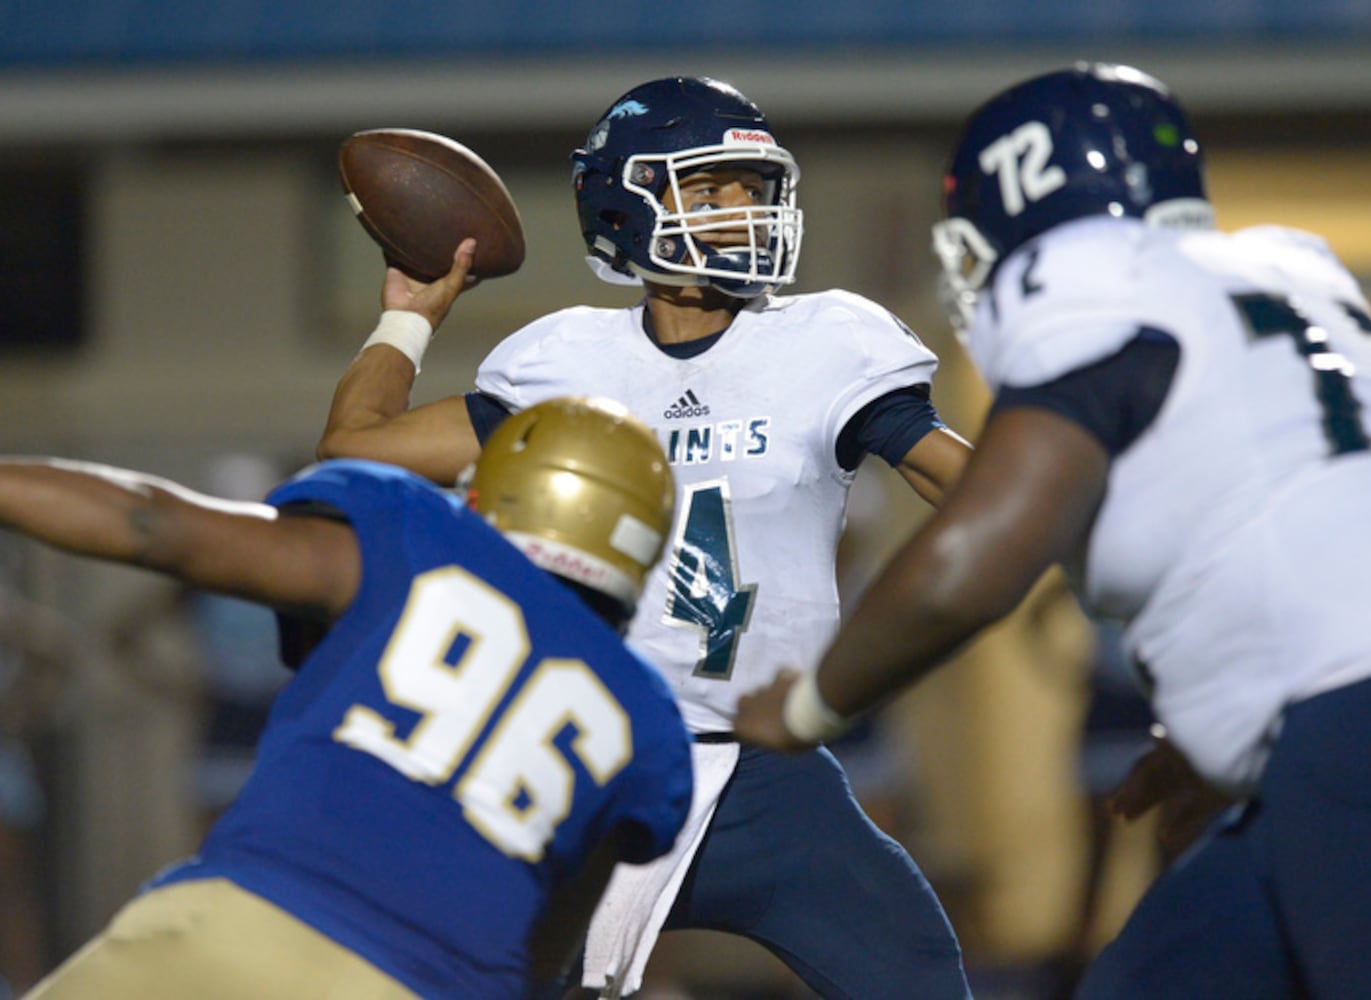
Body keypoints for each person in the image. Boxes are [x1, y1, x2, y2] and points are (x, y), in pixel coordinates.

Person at [734, 61, 1371, 999]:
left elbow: (981, 547)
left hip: (1361, 717)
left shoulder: (1085, 278)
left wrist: (807, 707)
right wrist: (1230, 719)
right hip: (1333, 720)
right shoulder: (1284, 272)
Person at [319, 76, 974, 998]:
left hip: (767, 775)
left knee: (916, 973)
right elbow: (354, 449)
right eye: (708, 193)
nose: (741, 215)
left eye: (752, 191)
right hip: (590, 759)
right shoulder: (565, 359)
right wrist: (410, 314)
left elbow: (974, 492)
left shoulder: (824, 344)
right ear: (625, 208)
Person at [5, 396, 694, 1000]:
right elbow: (545, 956)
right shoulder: (650, 723)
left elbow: (147, 523)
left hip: (236, 924)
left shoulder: (416, 535)